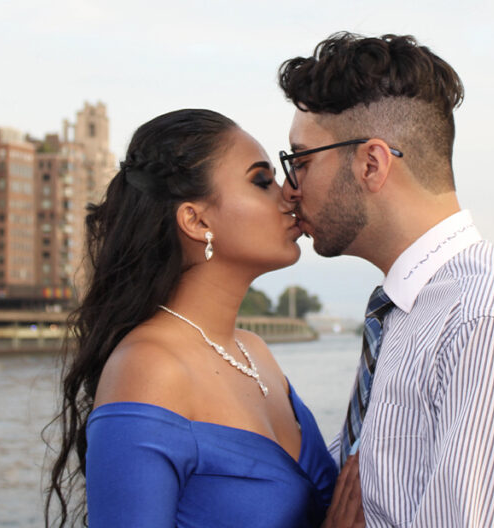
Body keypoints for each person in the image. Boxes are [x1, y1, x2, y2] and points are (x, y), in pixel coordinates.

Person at [277, 33, 494, 527]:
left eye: (301, 162)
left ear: (371, 164)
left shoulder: (487, 326)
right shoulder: (411, 312)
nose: (288, 189)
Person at [46, 109, 339, 527]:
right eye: (262, 181)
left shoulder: (255, 352)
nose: (289, 194)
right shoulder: (149, 367)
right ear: (196, 220)